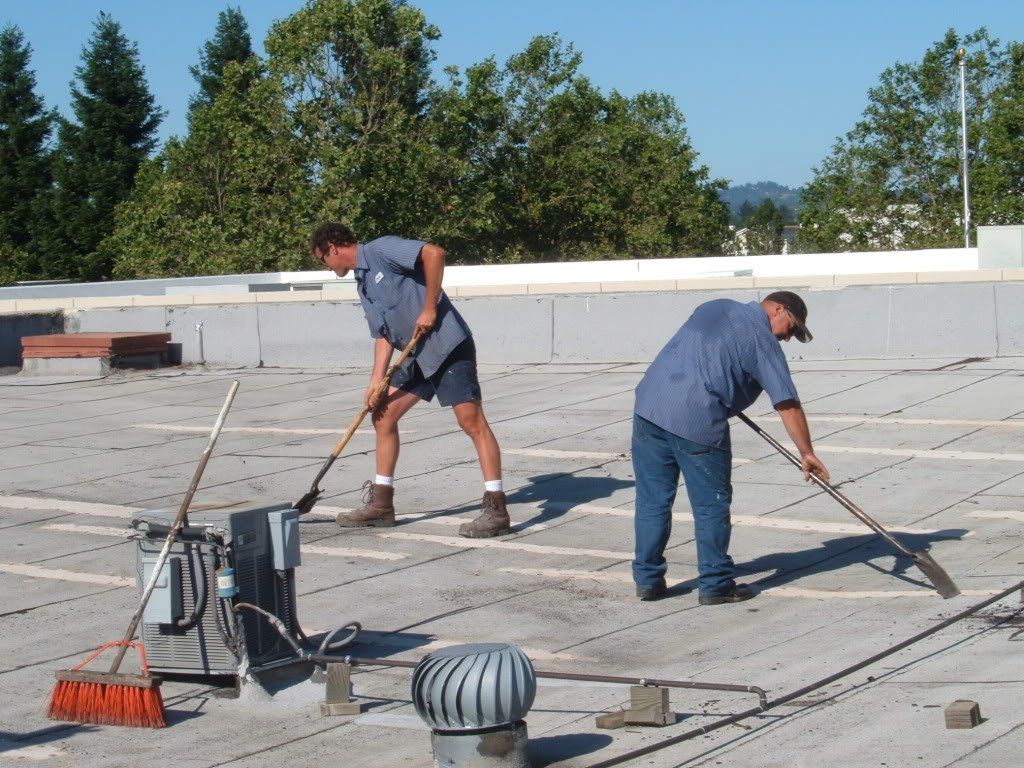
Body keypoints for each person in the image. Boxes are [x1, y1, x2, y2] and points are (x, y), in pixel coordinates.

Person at [631, 291, 830, 605]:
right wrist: (807, 453)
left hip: (650, 406)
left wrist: (730, 382)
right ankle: (715, 584)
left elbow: (703, 350)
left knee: (652, 500)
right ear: (778, 309)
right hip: (695, 419)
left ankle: (648, 580)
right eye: (791, 328)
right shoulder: (763, 341)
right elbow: (787, 404)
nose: (788, 338)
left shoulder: (715, 306)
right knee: (711, 506)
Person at [311, 222, 509, 538]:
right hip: (416, 354)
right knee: (383, 415)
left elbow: (434, 254)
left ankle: (496, 509)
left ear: (332, 248)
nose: (326, 266)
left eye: (322, 259)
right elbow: (383, 336)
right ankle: (381, 505)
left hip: (446, 344)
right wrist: (375, 381)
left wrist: (430, 307)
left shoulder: (379, 250)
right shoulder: (362, 284)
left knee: (470, 421)